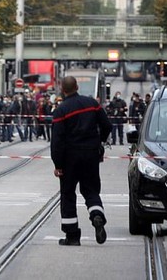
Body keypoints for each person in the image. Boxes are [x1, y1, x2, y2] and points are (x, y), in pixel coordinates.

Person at [51, 76, 112, 246]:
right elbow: (107, 125)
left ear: (63, 90)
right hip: (91, 155)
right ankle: (97, 216)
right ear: (77, 86)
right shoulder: (92, 103)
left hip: (70, 158)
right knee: (91, 190)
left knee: (68, 194)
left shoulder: (61, 110)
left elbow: (57, 141)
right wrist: (99, 141)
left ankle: (72, 236)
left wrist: (58, 164)